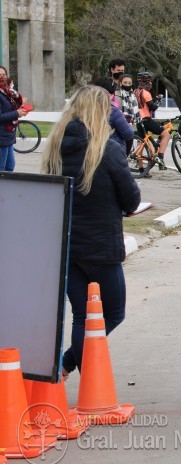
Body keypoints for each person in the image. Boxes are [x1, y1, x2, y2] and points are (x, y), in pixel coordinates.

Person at [41, 85, 141, 380]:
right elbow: (131, 199)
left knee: (83, 317)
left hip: (66, 245)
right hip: (101, 246)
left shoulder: (54, 147)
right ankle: (78, 373)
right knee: (112, 313)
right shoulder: (107, 149)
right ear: (102, 112)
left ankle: (70, 368)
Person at [134, 71, 170, 168]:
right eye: (150, 82)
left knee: (141, 142)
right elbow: (152, 107)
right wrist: (158, 102)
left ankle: (141, 168)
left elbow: (145, 105)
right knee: (166, 135)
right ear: (147, 82)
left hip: (139, 120)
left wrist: (154, 100)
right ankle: (160, 157)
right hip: (146, 119)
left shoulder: (136, 91)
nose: (151, 84)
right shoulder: (146, 93)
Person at [0, 65, 29, 171]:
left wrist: (21, 109)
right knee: (2, 170)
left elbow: (10, 109)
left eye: (3, 75)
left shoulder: (7, 92)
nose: (2, 77)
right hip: (2, 137)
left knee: (10, 167)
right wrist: (17, 113)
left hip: (8, 137)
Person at [92, 77, 135, 148]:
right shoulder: (113, 110)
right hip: (111, 149)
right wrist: (129, 124)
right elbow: (128, 134)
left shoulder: (87, 107)